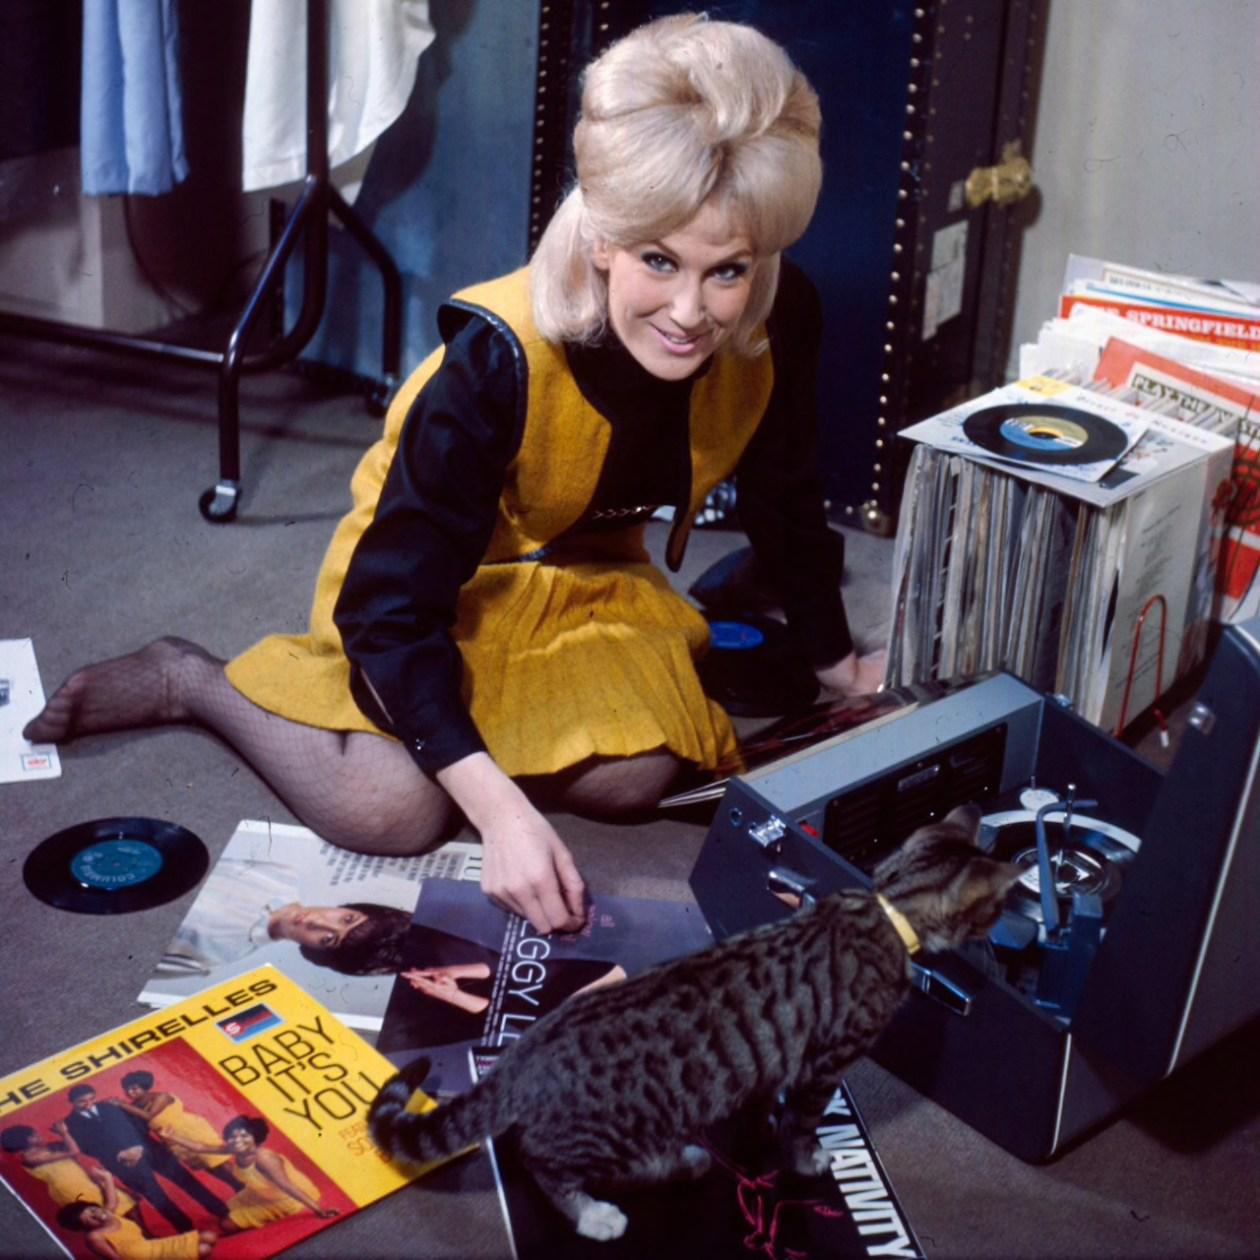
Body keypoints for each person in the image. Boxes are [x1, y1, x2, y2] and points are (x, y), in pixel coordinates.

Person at [24, 13, 884, 937]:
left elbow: (784, 489)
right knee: (389, 812)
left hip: (585, 581)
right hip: (429, 587)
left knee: (635, 778)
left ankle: (466, 734)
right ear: (603, 236)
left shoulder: (776, 314)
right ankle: (192, 679)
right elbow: (390, 611)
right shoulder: (493, 360)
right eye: (659, 260)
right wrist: (499, 812)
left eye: (728, 271)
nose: (690, 312)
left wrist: (835, 660)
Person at [61, 1085, 231, 1235]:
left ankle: (222, 1211)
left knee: (186, 1181)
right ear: (72, 1102)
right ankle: (187, 1230)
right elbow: (86, 1147)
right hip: (123, 1164)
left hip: (150, 1150)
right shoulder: (70, 1124)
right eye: (82, 1102)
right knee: (156, 1197)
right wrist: (119, 1155)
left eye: (91, 1099)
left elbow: (139, 1124)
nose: (89, 1104)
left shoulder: (110, 1106)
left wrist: (138, 1146)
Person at [173, 1116, 337, 1232]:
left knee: (226, 1225)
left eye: (244, 1136)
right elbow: (201, 1147)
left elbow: (287, 1186)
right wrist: (172, 1137)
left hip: (285, 1199)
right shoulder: (236, 1148)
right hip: (259, 1193)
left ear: (255, 1138)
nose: (237, 1140)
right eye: (232, 1137)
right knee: (224, 1210)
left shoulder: (264, 1159)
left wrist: (319, 1210)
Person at [113, 1073, 242, 1194]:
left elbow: (149, 1116)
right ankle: (238, 1189)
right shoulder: (135, 1106)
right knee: (208, 1167)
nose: (130, 1092)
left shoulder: (161, 1097)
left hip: (190, 1131)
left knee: (219, 1162)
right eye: (127, 1090)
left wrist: (122, 1105)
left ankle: (246, 1185)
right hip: (172, 1140)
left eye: (134, 1088)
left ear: (144, 1087)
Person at [56, 1169, 215, 1259]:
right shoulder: (95, 1237)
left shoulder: (108, 1213)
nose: (96, 1215)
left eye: (92, 1210)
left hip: (155, 1247)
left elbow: (111, 1198)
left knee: (209, 1236)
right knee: (204, 1249)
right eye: (89, 1219)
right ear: (85, 1228)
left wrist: (106, 1178)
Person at [1, 1123, 139, 1221]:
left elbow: (75, 1159)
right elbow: (73, 1151)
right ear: (26, 1141)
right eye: (34, 1135)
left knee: (127, 1204)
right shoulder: (30, 1158)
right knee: (109, 1215)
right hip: (72, 1189)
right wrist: (64, 1133)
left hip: (84, 1180)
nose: (39, 1135)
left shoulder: (49, 1148)